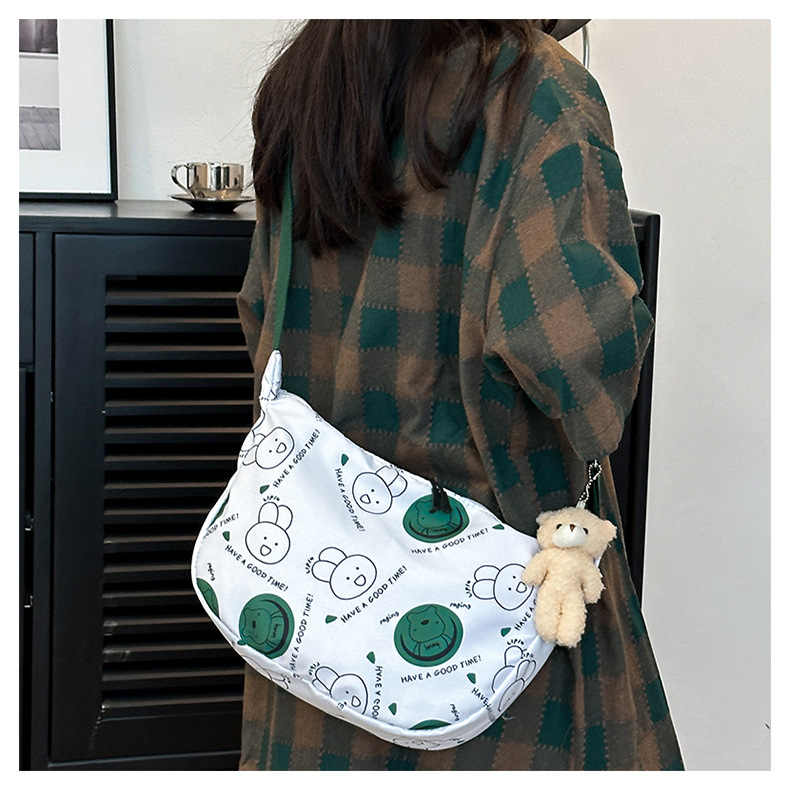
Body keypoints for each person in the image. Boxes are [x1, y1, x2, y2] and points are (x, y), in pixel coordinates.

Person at [236, 19, 683, 771]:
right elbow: (574, 355)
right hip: (496, 599)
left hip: (316, 604)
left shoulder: (305, 79)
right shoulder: (535, 89)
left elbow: (261, 311)